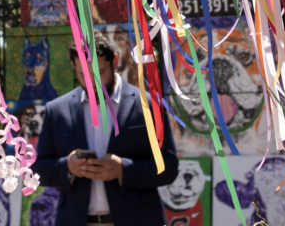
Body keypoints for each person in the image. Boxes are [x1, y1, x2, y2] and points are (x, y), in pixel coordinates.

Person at [32, 29, 179, 226]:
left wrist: (123, 170)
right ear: (73, 67)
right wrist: (67, 167)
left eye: (99, 72)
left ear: (115, 62)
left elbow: (169, 168)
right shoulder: (56, 110)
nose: (92, 82)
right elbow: (38, 170)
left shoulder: (148, 106)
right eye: (83, 74)